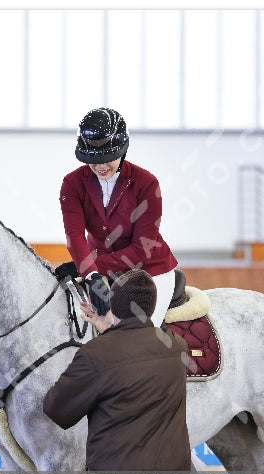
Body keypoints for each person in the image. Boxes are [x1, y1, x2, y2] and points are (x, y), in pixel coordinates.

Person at [42, 269, 190, 474]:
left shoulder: (96, 353)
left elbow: (56, 409)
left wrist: (103, 340)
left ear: (114, 305)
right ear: (151, 306)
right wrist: (108, 332)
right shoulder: (177, 346)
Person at [59, 107, 178, 328]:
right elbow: (74, 235)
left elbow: (141, 250)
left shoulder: (147, 183)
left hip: (148, 272)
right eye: (93, 159)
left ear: (122, 150)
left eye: (108, 159)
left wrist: (88, 267)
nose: (100, 166)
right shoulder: (72, 184)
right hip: (98, 270)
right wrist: (91, 275)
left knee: (135, 335)